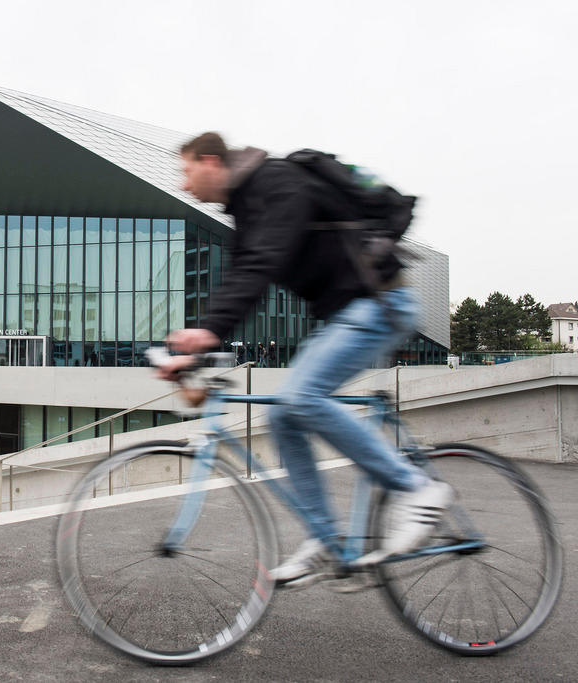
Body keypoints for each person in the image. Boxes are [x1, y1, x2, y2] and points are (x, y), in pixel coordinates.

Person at [160, 132, 452, 587]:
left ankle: (418, 489)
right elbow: (242, 280)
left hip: (380, 303)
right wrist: (191, 350)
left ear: (212, 161)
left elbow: (262, 262)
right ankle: (327, 538)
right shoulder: (248, 211)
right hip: (344, 314)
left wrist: (207, 331)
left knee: (300, 395)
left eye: (186, 170)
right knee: (284, 418)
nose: (183, 184)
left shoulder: (276, 183)